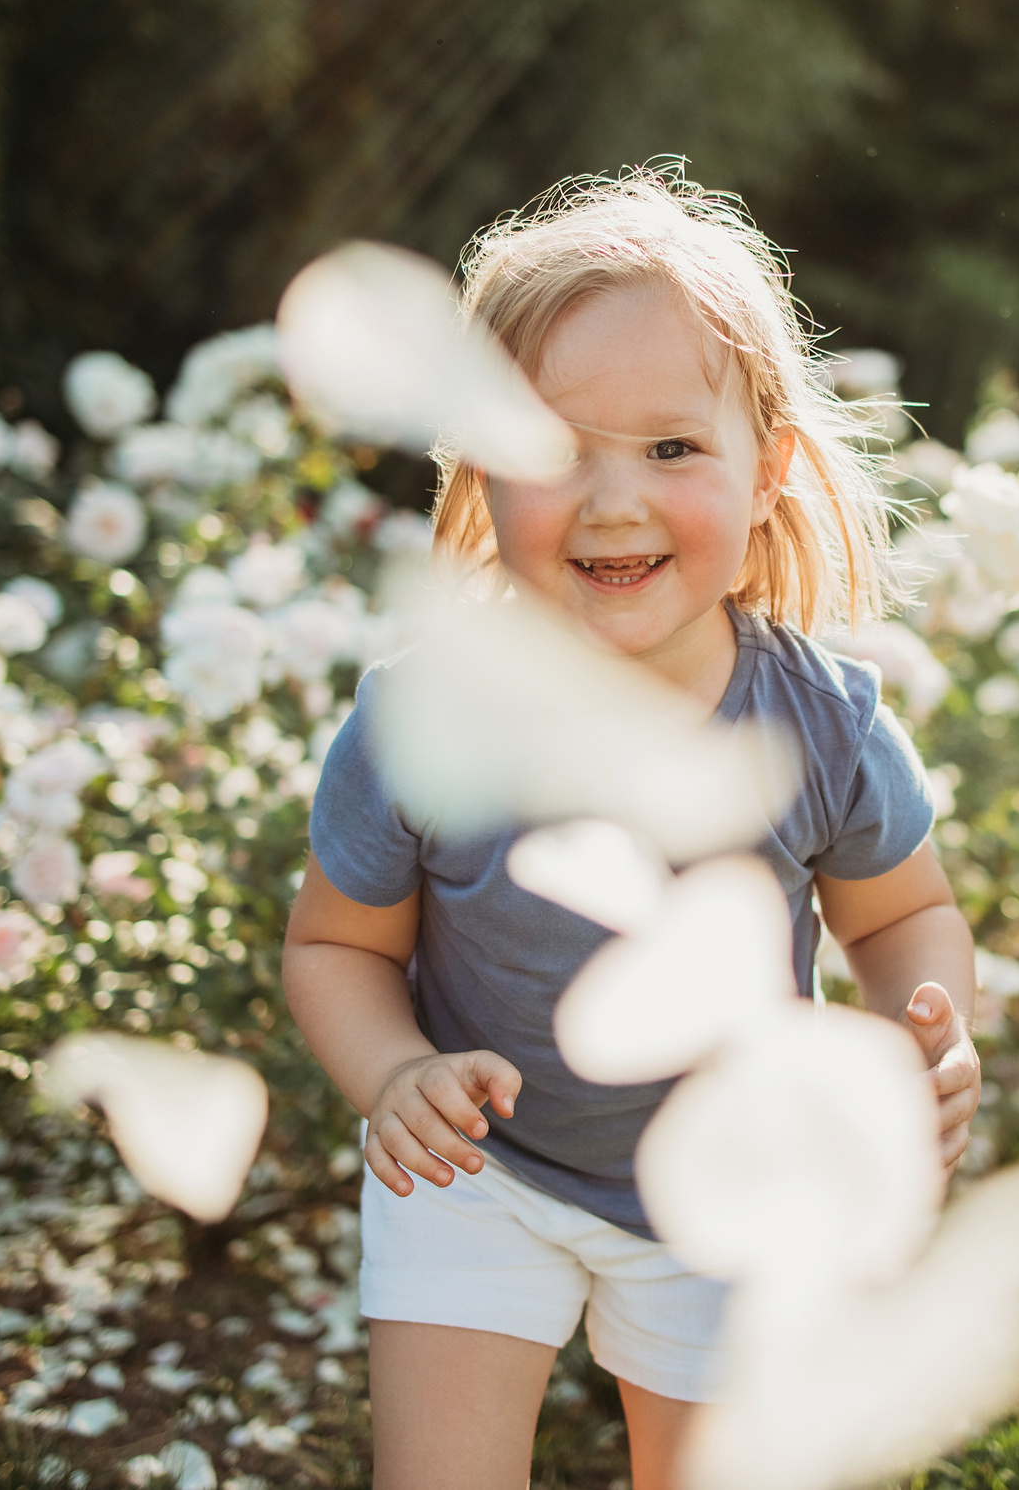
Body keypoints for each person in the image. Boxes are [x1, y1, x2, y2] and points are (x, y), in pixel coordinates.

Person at [282, 170, 980, 1490]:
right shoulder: (421, 726)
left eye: (671, 449)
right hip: (475, 1173)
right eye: (555, 452)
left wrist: (924, 1033)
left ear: (765, 469)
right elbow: (336, 949)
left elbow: (901, 918)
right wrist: (393, 1079)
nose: (612, 504)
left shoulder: (819, 728)